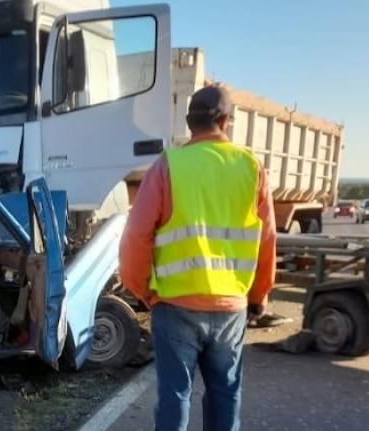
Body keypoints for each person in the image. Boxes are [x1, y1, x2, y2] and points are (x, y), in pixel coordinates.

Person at [119, 84, 277, 431]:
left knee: (175, 395)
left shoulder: (168, 166)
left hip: (175, 304)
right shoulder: (251, 168)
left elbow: (136, 235)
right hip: (230, 308)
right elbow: (266, 240)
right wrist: (258, 294)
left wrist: (142, 290)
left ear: (190, 123)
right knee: (225, 394)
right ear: (225, 120)